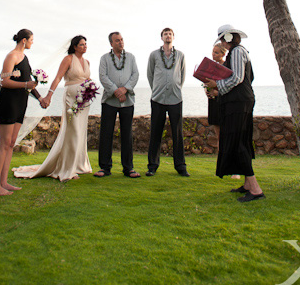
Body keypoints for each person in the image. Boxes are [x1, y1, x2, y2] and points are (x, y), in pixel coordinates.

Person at [13, 35, 92, 182]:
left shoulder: (87, 62)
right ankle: (67, 168)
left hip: (84, 101)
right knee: (73, 130)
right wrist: (49, 95)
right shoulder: (68, 59)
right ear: (75, 46)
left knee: (81, 131)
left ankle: (79, 164)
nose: (85, 46)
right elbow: (58, 78)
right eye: (81, 44)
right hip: (71, 99)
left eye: (85, 44)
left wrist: (90, 90)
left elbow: (86, 80)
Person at [0, 29, 45, 196]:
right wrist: (25, 85)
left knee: (12, 143)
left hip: (21, 103)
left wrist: (39, 97)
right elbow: (4, 81)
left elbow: (28, 82)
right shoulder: (12, 56)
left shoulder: (25, 58)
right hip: (9, 102)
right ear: (24, 40)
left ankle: (3, 182)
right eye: (31, 40)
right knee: (4, 143)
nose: (33, 43)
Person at [212, 24, 264, 202]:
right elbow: (250, 77)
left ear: (227, 38)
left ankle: (255, 189)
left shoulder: (236, 52)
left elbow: (237, 78)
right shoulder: (243, 51)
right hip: (243, 100)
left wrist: (216, 86)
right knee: (241, 141)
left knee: (238, 142)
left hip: (238, 103)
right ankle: (248, 185)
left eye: (222, 40)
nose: (222, 44)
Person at [94, 32, 140, 178]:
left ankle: (128, 168)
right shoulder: (105, 59)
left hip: (127, 101)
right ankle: (104, 168)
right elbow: (103, 76)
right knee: (106, 133)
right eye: (117, 41)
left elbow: (135, 75)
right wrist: (116, 91)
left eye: (121, 40)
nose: (121, 42)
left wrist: (124, 90)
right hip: (109, 101)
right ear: (111, 43)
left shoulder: (131, 57)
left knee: (127, 134)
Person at [146, 27, 189, 177]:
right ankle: (152, 166)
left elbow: (182, 74)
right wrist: (156, 89)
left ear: (173, 37)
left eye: (170, 34)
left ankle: (180, 166)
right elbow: (150, 74)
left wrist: (175, 87)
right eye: (165, 34)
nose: (168, 36)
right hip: (157, 98)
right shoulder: (154, 55)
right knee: (155, 132)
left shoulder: (180, 55)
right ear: (161, 37)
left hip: (175, 98)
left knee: (177, 133)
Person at [205, 42, 241, 181]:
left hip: (225, 103)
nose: (213, 54)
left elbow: (230, 86)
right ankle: (222, 167)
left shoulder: (228, 67)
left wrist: (217, 92)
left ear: (223, 54)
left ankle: (235, 169)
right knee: (219, 138)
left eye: (216, 52)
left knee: (229, 137)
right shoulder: (209, 68)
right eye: (212, 52)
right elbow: (207, 83)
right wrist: (207, 91)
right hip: (213, 104)